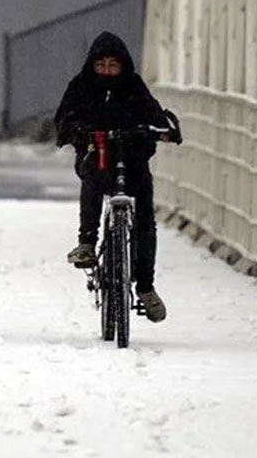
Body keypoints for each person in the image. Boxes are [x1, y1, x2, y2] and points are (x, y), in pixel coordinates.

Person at [53, 31, 179, 323]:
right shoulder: (80, 86)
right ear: (92, 66)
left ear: (123, 66)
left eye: (113, 65)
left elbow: (153, 113)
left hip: (132, 159)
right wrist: (74, 131)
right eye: (102, 65)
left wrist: (164, 130)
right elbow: (64, 117)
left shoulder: (134, 87)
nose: (107, 71)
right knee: (94, 180)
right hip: (96, 154)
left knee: (145, 218)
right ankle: (87, 242)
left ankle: (145, 287)